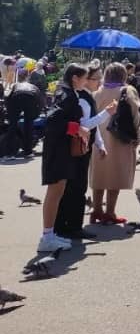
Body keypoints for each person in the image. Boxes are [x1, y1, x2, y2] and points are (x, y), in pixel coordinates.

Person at [56, 65, 115, 240]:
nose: (100, 82)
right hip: (75, 148)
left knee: (76, 187)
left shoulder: (85, 96)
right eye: (96, 78)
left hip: (82, 147)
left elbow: (90, 127)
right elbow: (83, 126)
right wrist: (107, 113)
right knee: (75, 188)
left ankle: (67, 225)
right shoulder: (78, 98)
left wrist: (100, 143)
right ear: (85, 79)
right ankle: (71, 226)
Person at [37, 64, 91, 252]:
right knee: (54, 193)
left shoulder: (67, 93)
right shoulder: (66, 95)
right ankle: (47, 236)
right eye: (84, 77)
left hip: (61, 149)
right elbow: (53, 122)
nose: (86, 81)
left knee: (57, 192)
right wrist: (79, 129)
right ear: (75, 78)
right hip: (58, 150)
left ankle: (50, 234)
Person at [90, 62, 140, 225]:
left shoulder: (97, 92)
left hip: (99, 137)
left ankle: (96, 210)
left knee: (99, 174)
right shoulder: (127, 91)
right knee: (116, 174)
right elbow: (135, 116)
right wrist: (137, 137)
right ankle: (110, 212)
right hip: (120, 138)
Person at [6, 77, 44, 157]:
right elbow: (41, 101)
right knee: (29, 126)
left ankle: (9, 153)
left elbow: (9, 97)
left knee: (12, 126)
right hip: (31, 98)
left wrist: (10, 114)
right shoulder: (34, 87)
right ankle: (28, 152)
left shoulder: (16, 85)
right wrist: (37, 112)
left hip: (16, 97)